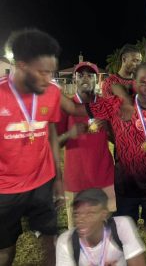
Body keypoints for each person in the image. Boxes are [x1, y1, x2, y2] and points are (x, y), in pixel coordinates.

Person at [87, 62, 146, 266]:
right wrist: (124, 98)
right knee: (121, 236)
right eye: (143, 83)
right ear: (134, 83)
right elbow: (109, 82)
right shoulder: (116, 105)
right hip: (124, 187)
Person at [0, 28, 63, 266]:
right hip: (4, 190)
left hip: (42, 183)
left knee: (52, 241)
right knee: (5, 250)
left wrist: (58, 177)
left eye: (52, 72)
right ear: (21, 65)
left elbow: (51, 134)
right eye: (43, 72)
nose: (49, 79)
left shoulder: (52, 93)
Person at [57, 61, 115, 228]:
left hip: (104, 178)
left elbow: (118, 140)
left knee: (106, 230)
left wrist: (109, 130)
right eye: (80, 75)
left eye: (90, 75)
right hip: (76, 180)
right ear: (74, 79)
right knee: (77, 233)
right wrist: (70, 133)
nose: (85, 78)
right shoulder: (66, 106)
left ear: (96, 80)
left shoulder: (106, 105)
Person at [56, 188, 146, 265]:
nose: (81, 219)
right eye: (77, 214)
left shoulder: (121, 227)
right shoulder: (66, 242)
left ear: (104, 214)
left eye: (90, 214)